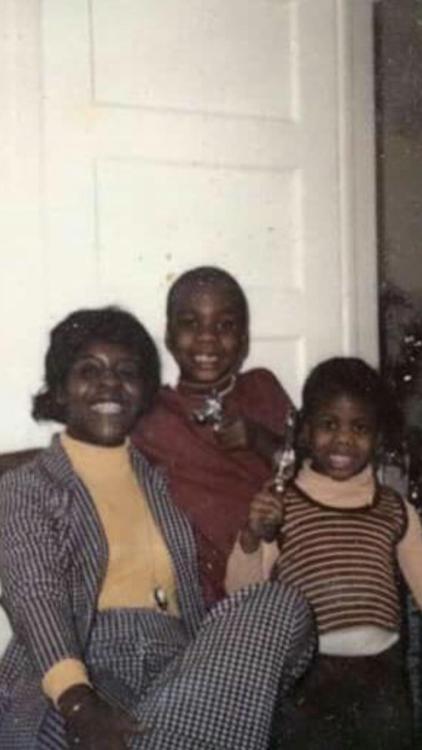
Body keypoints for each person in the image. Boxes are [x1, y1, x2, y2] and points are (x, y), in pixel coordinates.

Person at [0, 306, 314, 750]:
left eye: (126, 372)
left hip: (181, 665)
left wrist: (252, 538)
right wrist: (78, 704)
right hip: (83, 663)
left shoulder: (165, 479)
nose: (110, 383)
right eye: (89, 370)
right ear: (59, 392)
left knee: (279, 603)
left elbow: (227, 588)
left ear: (143, 392)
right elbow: (35, 595)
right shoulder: (28, 485)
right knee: (70, 731)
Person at [226, 356, 422, 749]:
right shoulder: (282, 505)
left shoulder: (395, 508)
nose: (344, 439)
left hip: (381, 679)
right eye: (329, 425)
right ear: (303, 432)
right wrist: (252, 535)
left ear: (378, 438)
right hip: (308, 681)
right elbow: (240, 592)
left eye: (360, 428)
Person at [132, 266, 293, 606]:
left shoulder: (262, 388)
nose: (207, 337)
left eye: (225, 325)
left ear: (245, 339)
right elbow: (85, 453)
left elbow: (308, 466)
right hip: (198, 591)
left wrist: (257, 438)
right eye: (190, 323)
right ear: (169, 335)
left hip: (272, 569)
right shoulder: (153, 411)